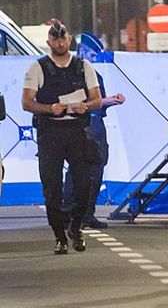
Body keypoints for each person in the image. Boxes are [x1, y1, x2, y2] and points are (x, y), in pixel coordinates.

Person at [22, 19, 102, 254]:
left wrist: (85, 107)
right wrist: (50, 109)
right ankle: (59, 235)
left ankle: (76, 226)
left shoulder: (83, 66)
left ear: (69, 39)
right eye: (55, 38)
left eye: (63, 37)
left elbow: (96, 99)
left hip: (77, 131)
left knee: (84, 184)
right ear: (49, 42)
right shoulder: (37, 68)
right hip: (50, 133)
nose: (59, 42)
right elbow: (27, 102)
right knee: (52, 187)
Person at [63, 35, 126, 229]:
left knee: (90, 170)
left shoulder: (89, 74)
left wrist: (107, 101)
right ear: (82, 51)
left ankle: (82, 214)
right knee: (82, 170)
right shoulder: (76, 74)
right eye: (92, 54)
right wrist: (109, 100)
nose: (94, 58)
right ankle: (74, 214)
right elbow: (83, 103)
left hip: (92, 126)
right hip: (84, 126)